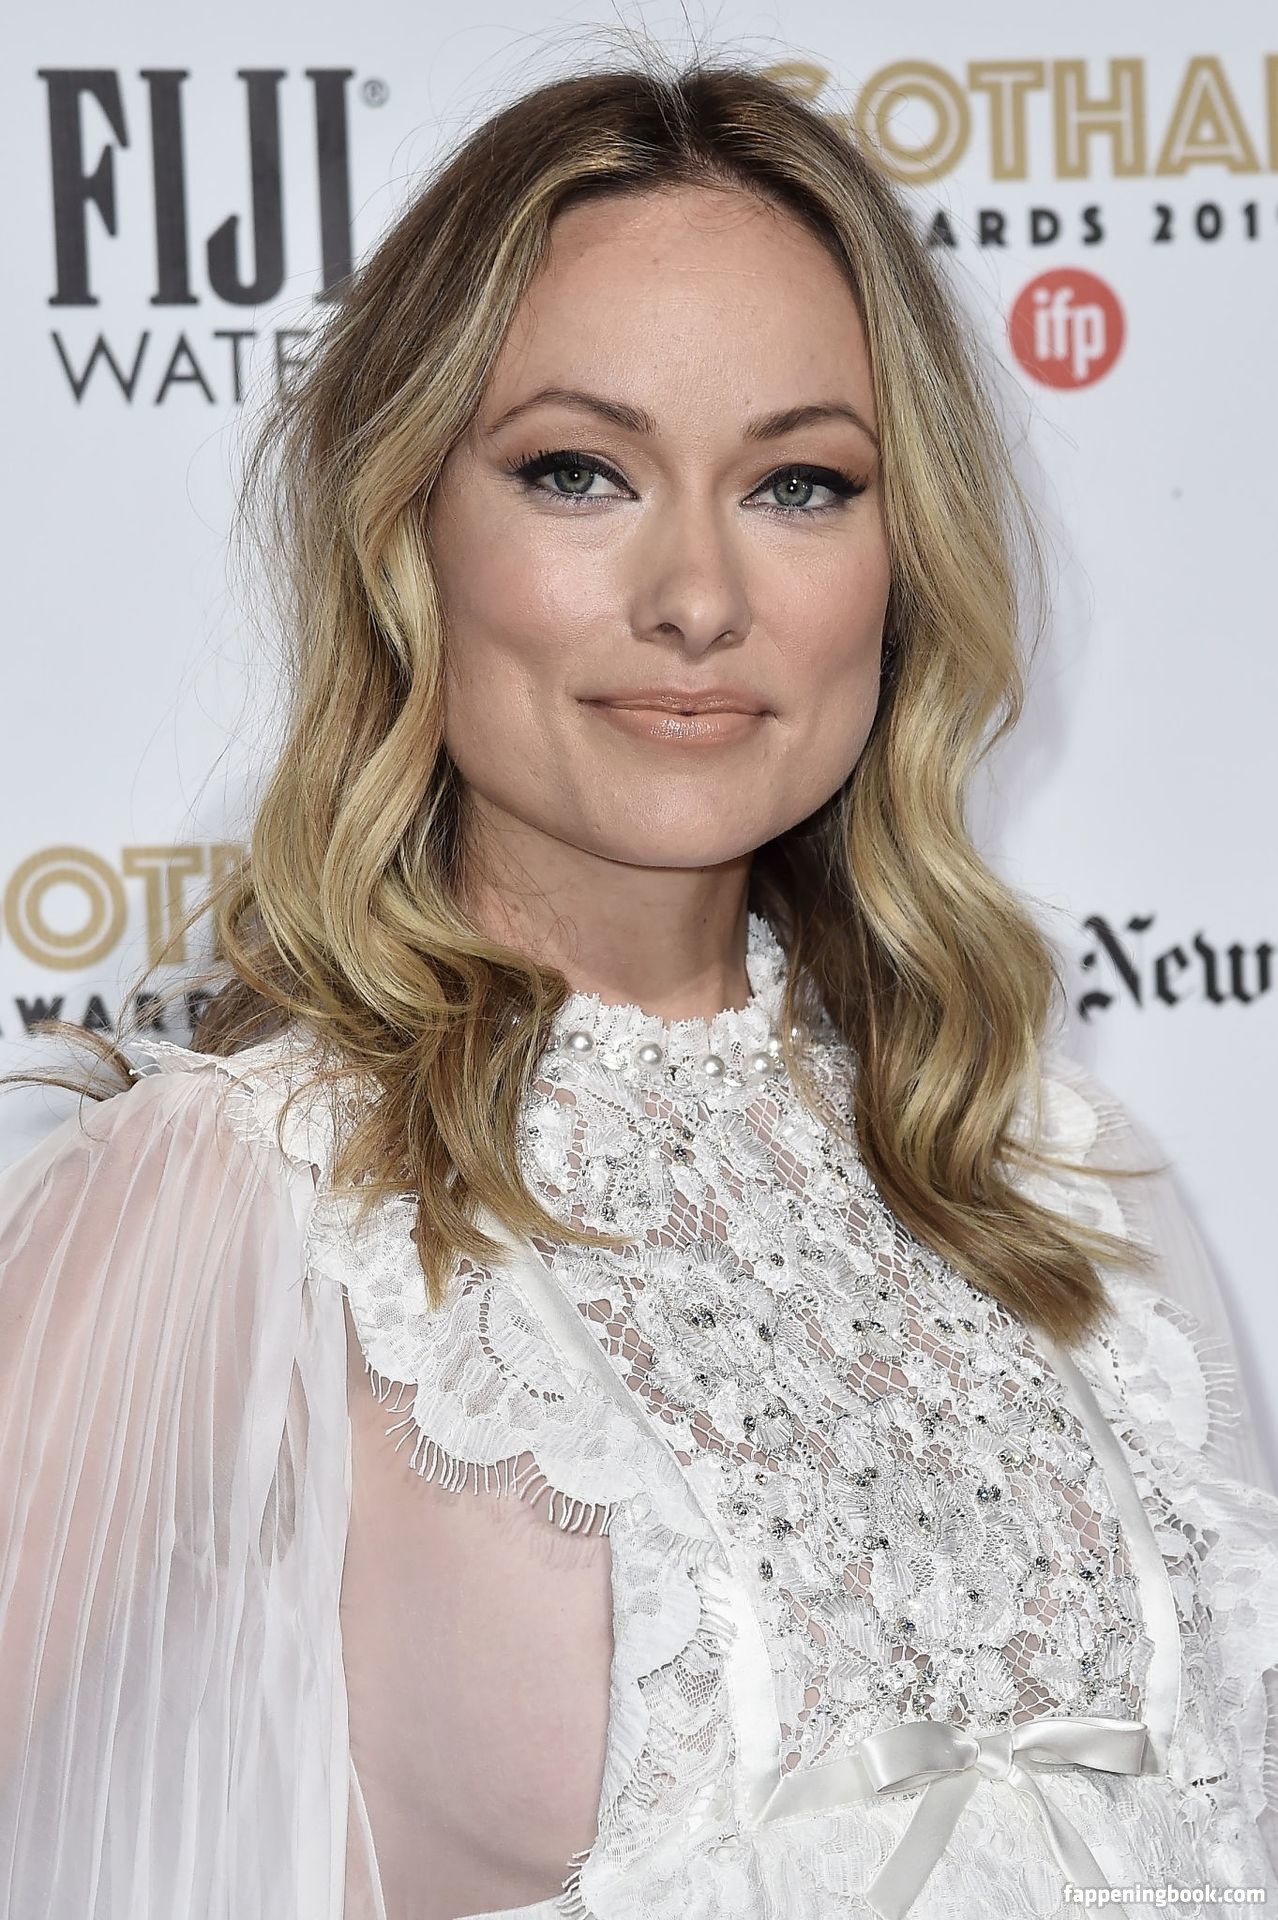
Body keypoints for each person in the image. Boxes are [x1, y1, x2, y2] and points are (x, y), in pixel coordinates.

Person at [0, 47, 1274, 1920]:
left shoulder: (1052, 1174)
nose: (696, 595)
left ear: (900, 561)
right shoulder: (237, 1190)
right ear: (406, 528)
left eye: (799, 484)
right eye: (577, 472)